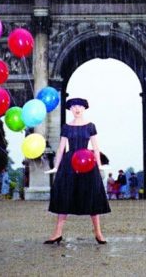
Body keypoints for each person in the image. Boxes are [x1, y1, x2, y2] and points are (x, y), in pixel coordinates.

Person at [45, 97, 111, 244]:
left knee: (92, 195)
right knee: (65, 195)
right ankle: (57, 233)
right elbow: (61, 148)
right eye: (74, 106)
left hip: (87, 161)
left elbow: (96, 147)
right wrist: (56, 166)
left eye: (79, 106)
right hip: (69, 163)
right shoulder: (66, 127)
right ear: (70, 109)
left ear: (84, 108)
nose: (77, 109)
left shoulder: (91, 126)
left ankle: (98, 233)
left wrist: (99, 164)